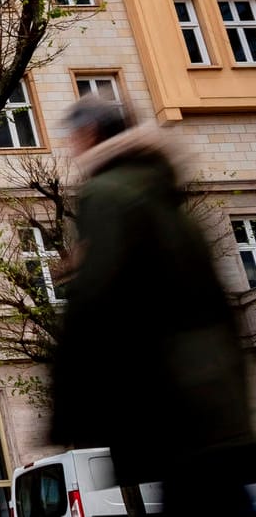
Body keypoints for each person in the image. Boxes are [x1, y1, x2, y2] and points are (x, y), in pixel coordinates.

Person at [50, 95, 255, 516]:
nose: (71, 148)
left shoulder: (107, 193)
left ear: (89, 135)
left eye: (72, 138)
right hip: (211, 395)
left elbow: (97, 299)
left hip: (168, 397)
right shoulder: (163, 195)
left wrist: (64, 407)